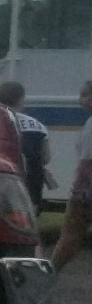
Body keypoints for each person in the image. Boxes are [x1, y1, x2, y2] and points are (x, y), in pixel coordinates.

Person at [53, 78, 92, 272]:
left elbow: (87, 163)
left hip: (87, 192)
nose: (80, 99)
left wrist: (78, 187)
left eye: (85, 95)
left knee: (71, 235)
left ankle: (51, 272)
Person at [0, 79, 49, 206]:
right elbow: (46, 158)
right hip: (31, 182)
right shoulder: (37, 125)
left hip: (0, 179)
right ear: (20, 99)